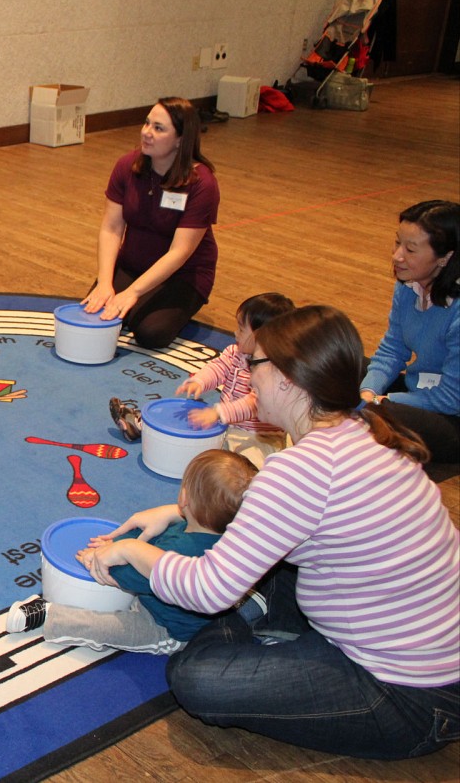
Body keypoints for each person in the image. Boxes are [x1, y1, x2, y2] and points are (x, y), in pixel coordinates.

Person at [77, 305, 459, 760]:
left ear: (286, 378)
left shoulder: (304, 469)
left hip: (407, 697)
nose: (246, 370)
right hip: (423, 651)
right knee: (249, 563)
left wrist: (133, 551)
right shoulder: (363, 429)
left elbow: (207, 590)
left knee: (196, 677)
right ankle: (257, 610)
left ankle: (244, 617)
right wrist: (179, 511)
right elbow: (274, 512)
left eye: (254, 361)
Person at [6, 449, 257, 654]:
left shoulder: (183, 548)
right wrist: (117, 545)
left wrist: (96, 559)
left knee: (109, 628)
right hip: (157, 599)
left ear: (185, 499)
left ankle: (48, 617)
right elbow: (144, 538)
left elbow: (124, 577)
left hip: (168, 628)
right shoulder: (207, 530)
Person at [82, 96, 219, 349]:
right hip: (133, 265)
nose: (146, 133)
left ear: (180, 139)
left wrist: (132, 293)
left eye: (158, 128)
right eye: (147, 124)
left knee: (150, 333)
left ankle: (175, 306)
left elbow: (180, 252)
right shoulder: (126, 166)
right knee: (97, 314)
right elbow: (111, 229)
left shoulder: (202, 183)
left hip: (183, 275)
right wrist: (104, 282)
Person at [109, 292, 294, 466]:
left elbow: (254, 404)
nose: (236, 333)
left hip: (258, 435)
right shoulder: (236, 352)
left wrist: (220, 413)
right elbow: (218, 367)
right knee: (186, 419)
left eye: (241, 329)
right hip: (224, 421)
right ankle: (143, 425)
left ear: (264, 337)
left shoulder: (274, 372)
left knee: (246, 463)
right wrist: (200, 381)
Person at [360, 199, 459, 472]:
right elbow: (392, 349)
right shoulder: (408, 285)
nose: (397, 256)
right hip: (421, 392)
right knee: (336, 366)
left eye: (410, 249)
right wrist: (368, 390)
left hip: (452, 415)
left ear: (445, 257)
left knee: (380, 416)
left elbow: (451, 398)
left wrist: (381, 401)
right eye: (397, 243)